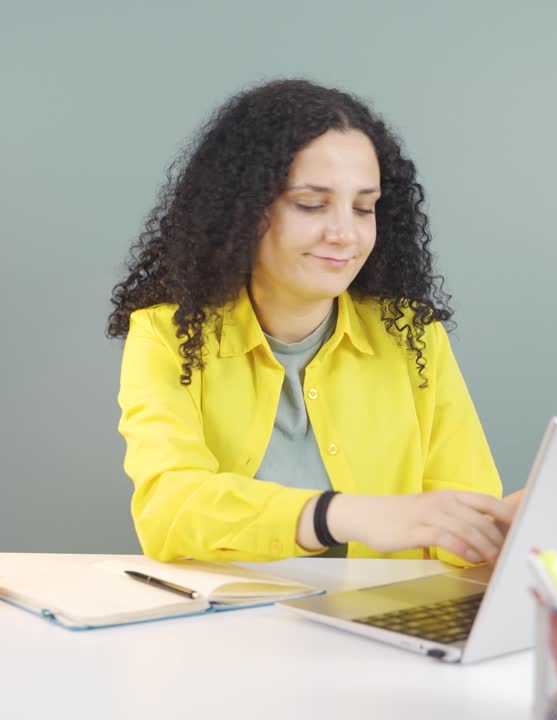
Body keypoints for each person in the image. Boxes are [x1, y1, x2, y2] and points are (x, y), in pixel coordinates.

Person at [107, 79, 517, 567]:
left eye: (363, 208)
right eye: (311, 204)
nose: (345, 234)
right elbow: (171, 510)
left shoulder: (413, 337)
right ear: (243, 211)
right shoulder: (167, 337)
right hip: (231, 614)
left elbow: (462, 531)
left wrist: (500, 528)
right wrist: (338, 515)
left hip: (386, 614)